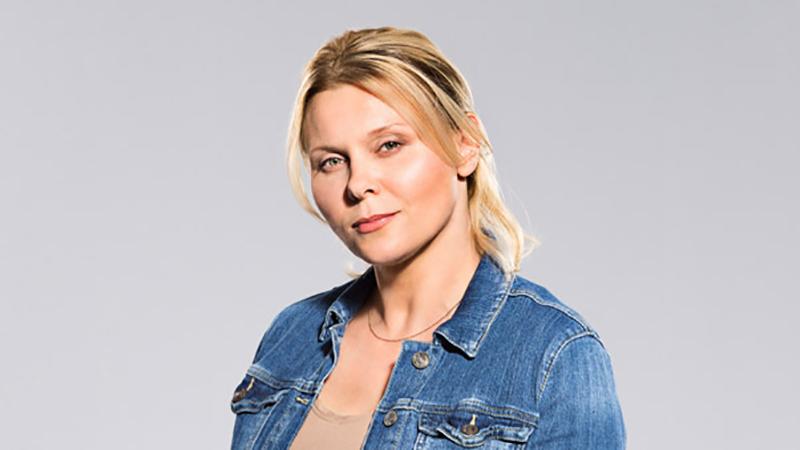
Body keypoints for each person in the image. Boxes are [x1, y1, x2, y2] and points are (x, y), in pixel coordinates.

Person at [230, 26, 625, 450]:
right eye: (331, 161)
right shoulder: (293, 335)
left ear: (465, 144)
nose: (358, 184)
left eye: (389, 145)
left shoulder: (553, 355)